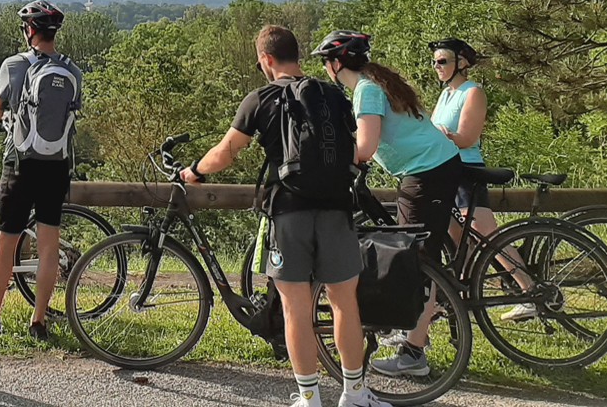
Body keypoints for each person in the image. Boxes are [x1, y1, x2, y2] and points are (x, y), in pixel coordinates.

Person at [182, 26, 390, 407]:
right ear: (296, 56)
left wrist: (195, 171)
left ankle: (309, 397)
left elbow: (227, 151)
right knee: (346, 304)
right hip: (336, 208)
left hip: (289, 213)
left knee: (296, 309)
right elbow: (354, 150)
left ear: (267, 60)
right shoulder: (332, 95)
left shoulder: (260, 98)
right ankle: (355, 394)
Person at [313, 30, 463, 378]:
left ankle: (414, 353)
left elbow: (364, 147)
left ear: (335, 64)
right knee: (420, 254)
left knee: (418, 259)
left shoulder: (366, 90)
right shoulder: (374, 81)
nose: (325, 69)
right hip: (428, 169)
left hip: (428, 172)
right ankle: (412, 329)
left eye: (325, 63)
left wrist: (325, 157)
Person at [0, 0, 83, 342]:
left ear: (29, 31)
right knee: (49, 246)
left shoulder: (13, 65)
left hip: (20, 164)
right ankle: (38, 322)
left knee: (5, 243)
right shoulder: (73, 71)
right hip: (56, 166)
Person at [428, 39, 534, 321]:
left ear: (461, 63)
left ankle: (530, 291)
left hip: (467, 172)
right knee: (456, 238)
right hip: (445, 171)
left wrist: (438, 134)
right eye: (434, 62)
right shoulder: (445, 95)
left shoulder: (472, 92)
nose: (436, 67)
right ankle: (459, 298)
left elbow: (467, 138)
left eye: (442, 61)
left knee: (489, 238)